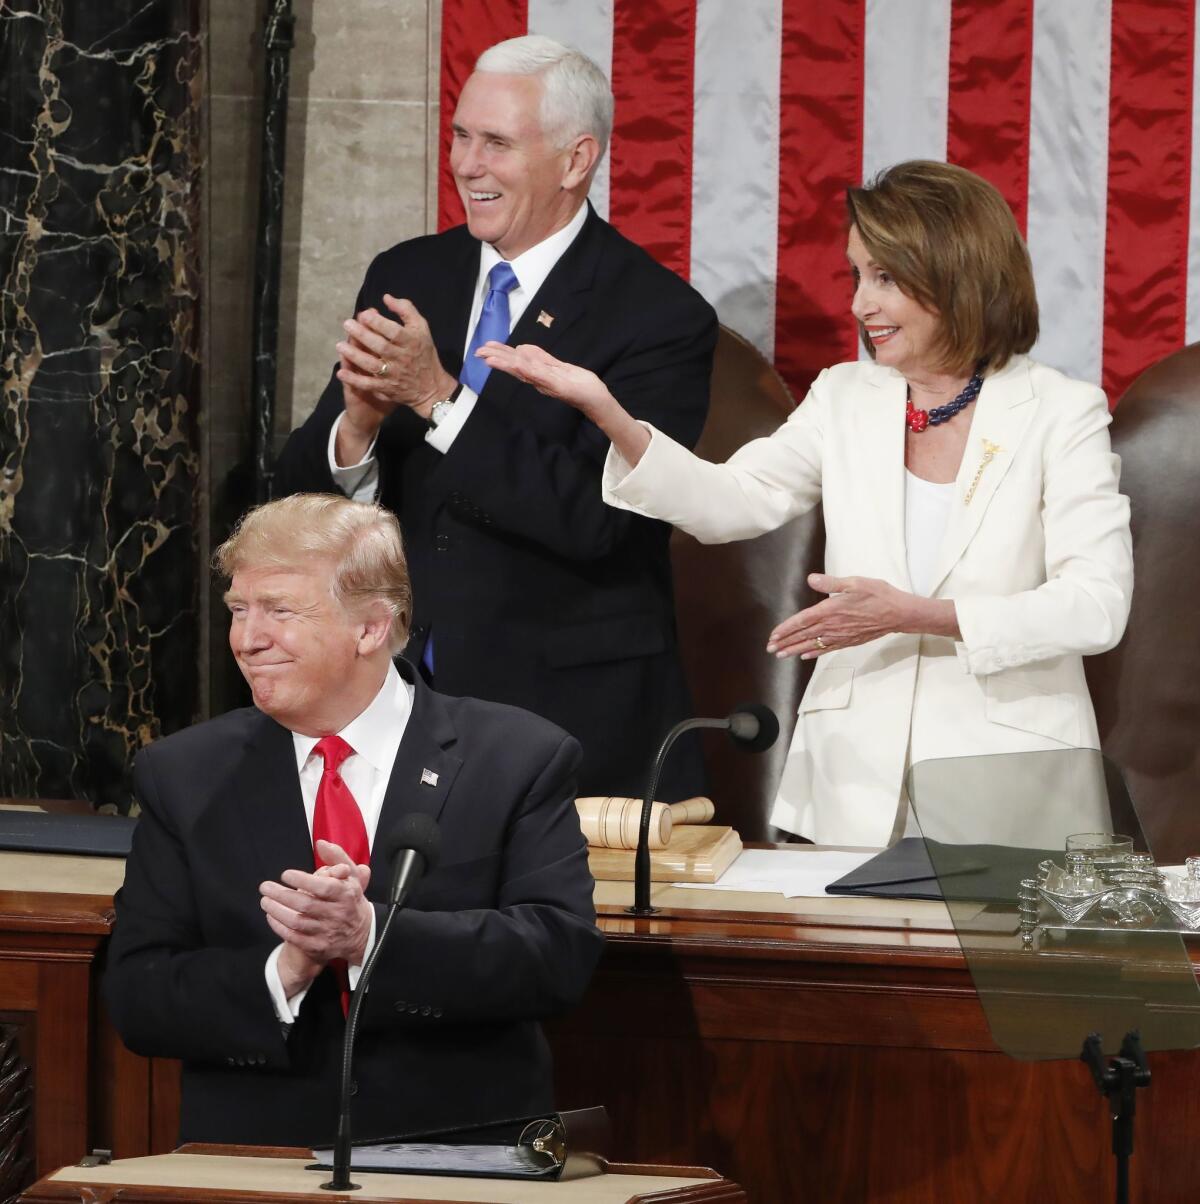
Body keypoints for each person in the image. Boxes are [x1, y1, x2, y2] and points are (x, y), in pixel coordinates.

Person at [478, 160, 1134, 848]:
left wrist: (920, 615)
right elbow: (731, 501)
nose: (860, 305)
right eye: (858, 276)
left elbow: (1096, 605)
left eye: (885, 277)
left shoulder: (1062, 413)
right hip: (854, 788)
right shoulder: (846, 396)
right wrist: (608, 412)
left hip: (1012, 794)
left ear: (954, 273)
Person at [272, 35, 716, 803]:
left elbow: (597, 519)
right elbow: (299, 497)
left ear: (577, 161)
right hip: (395, 697)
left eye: (497, 143)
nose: (468, 165)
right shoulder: (409, 274)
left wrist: (440, 400)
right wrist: (357, 429)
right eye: (460, 137)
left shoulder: (660, 318)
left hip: (567, 719)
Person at [103, 494, 604, 1147]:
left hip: (458, 1153)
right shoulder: (184, 775)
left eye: (279, 611)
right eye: (238, 610)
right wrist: (286, 969)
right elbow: (139, 995)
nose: (248, 639)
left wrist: (369, 936)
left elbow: (557, 958)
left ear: (370, 627)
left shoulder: (517, 759)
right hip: (258, 1160)